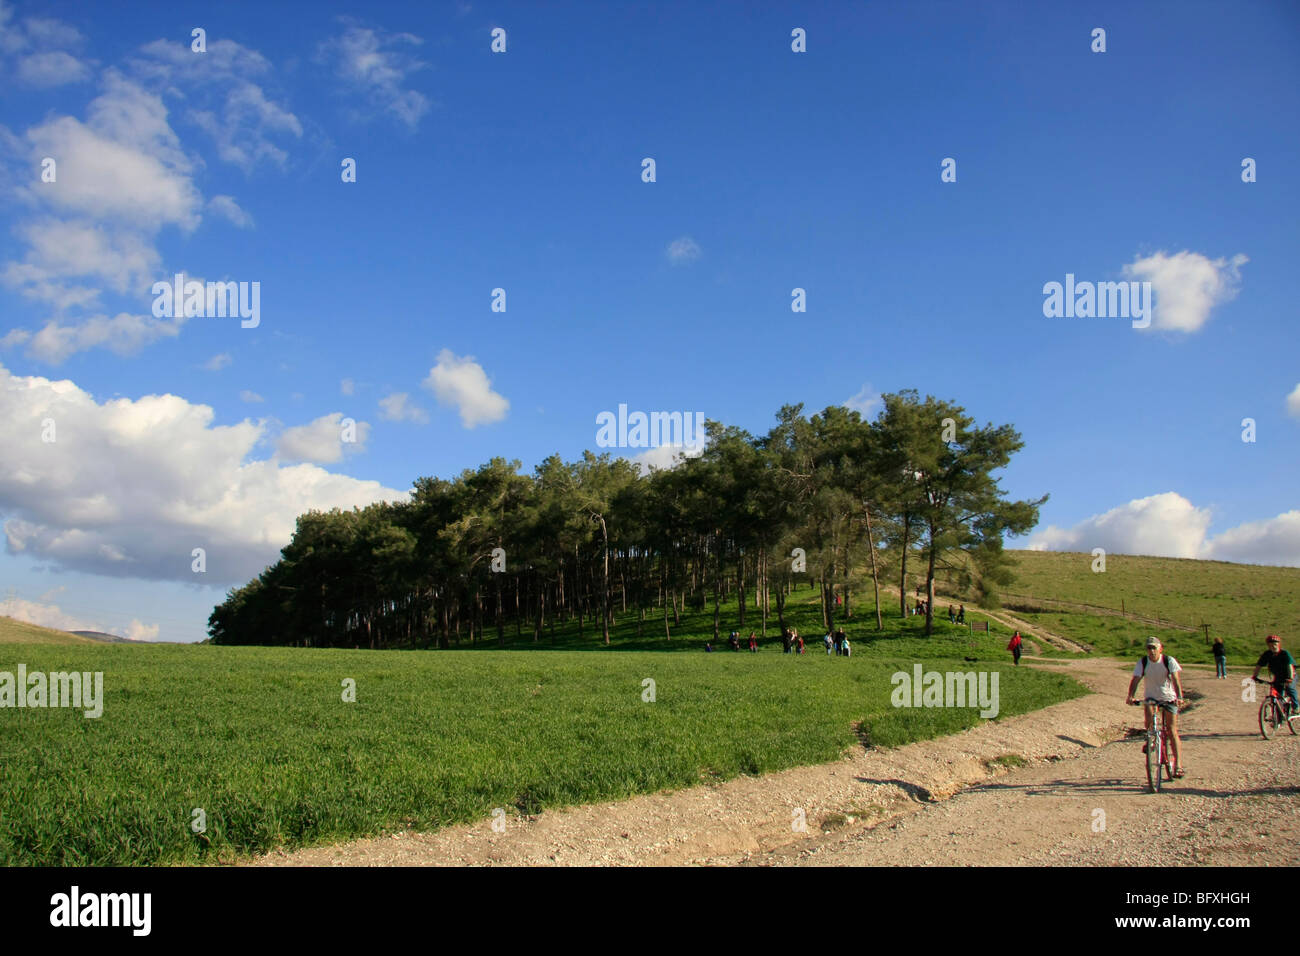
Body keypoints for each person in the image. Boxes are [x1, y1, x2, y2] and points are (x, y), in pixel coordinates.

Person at [1125, 637, 1186, 778]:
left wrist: (1179, 697)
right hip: (1151, 697)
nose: (1151, 651)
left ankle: (1178, 765)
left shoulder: (1168, 661)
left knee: (1171, 730)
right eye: (1149, 648)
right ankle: (1151, 738)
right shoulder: (1143, 662)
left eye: (1154, 648)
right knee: (1148, 717)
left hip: (1168, 697)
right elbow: (1136, 679)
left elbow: (1175, 679)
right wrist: (1130, 696)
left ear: (1160, 648)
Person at [1251, 634, 1297, 713]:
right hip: (1278, 676)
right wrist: (1254, 676)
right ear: (1268, 645)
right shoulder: (1267, 654)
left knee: (1289, 688)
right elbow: (1259, 666)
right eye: (1271, 644)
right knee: (1277, 694)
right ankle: (1279, 718)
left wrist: (1290, 678)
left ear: (1278, 644)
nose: (1273, 646)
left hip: (1290, 675)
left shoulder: (1284, 653)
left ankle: (1296, 706)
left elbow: (1290, 666)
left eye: (1275, 644)